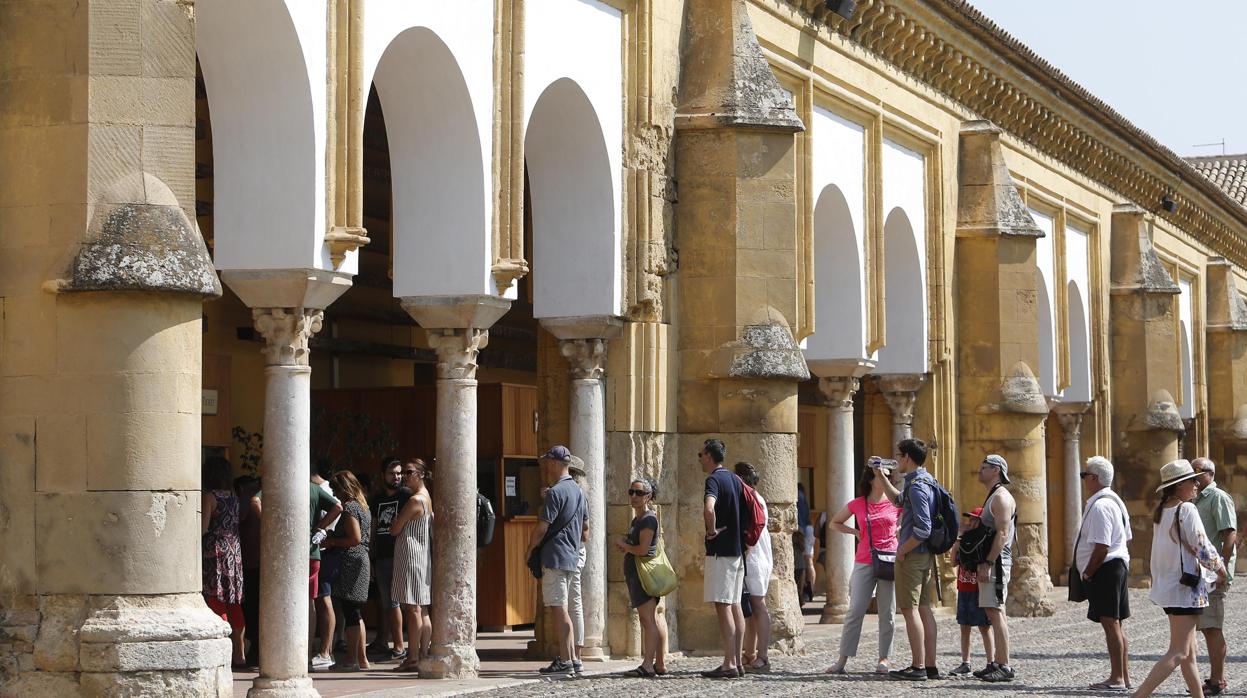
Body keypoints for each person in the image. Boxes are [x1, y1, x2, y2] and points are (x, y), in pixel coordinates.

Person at [1132, 459, 1228, 698]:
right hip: (1186, 589)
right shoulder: (1186, 509)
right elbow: (1201, 545)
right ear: (1178, 485)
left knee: (1189, 654)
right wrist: (1221, 569)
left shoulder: (1163, 510)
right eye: (1191, 480)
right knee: (1179, 653)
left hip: (1170, 587)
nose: (1196, 484)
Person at [826, 459, 900, 675]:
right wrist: (855, 533)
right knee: (855, 611)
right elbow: (834, 523)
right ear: (870, 479)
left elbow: (909, 522)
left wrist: (899, 530)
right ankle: (842, 660)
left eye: (888, 475)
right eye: (880, 475)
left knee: (887, 613)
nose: (885, 478)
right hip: (864, 561)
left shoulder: (897, 503)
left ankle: (884, 658)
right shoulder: (858, 503)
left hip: (889, 560)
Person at [879, 438, 942, 681]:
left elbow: (923, 528)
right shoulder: (925, 481)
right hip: (924, 555)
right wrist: (881, 476)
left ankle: (918, 666)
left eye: (899, 455)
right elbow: (898, 501)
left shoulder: (917, 487)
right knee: (924, 608)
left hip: (913, 555)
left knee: (909, 609)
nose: (897, 459)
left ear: (907, 457)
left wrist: (902, 550)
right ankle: (930, 665)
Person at [528, 445, 588, 677]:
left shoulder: (555, 492)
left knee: (559, 609)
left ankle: (565, 659)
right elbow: (585, 528)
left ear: (554, 463)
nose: (546, 466)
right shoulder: (578, 491)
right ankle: (573, 659)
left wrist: (530, 549)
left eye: (548, 462)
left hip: (555, 556)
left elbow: (542, 527)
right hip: (572, 555)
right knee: (568, 608)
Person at [1075, 456, 1132, 691]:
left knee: (1110, 623)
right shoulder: (1115, 501)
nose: (1083, 480)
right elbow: (1127, 537)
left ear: (1093, 478)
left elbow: (1102, 547)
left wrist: (1088, 573)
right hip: (1115, 566)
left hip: (1106, 569)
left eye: (1084, 475)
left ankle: (1117, 678)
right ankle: (1124, 677)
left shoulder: (1101, 506)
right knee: (1116, 624)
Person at [699, 439, 745, 679]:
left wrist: (711, 531)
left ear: (709, 456)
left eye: (700, 455)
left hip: (721, 551)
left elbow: (709, 508)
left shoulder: (714, 480)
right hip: (737, 550)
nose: (700, 459)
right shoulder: (735, 480)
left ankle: (729, 663)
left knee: (723, 605)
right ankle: (737, 660)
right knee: (735, 604)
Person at [615, 476, 669, 678]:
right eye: (631, 492)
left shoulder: (647, 519)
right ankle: (659, 663)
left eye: (639, 493)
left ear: (648, 496)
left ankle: (648, 665)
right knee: (653, 619)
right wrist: (628, 545)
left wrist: (625, 545)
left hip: (643, 575)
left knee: (648, 621)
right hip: (638, 574)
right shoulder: (638, 519)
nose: (634, 496)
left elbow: (644, 549)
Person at [1192, 457, 1237, 696]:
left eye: (1196, 471)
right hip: (1202, 571)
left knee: (1212, 627)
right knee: (1206, 627)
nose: (1193, 476)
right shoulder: (1196, 499)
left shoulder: (1218, 497)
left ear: (1209, 473)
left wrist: (1223, 570)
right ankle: (1214, 677)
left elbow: (1229, 534)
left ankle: (1217, 681)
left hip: (1214, 573)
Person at [323, 471, 372, 671]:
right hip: (361, 560)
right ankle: (362, 659)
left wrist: (333, 541)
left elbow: (355, 539)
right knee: (355, 612)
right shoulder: (363, 506)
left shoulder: (350, 507)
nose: (335, 494)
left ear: (344, 488)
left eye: (336, 489)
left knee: (351, 611)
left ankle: (351, 659)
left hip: (352, 562)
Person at [974, 454, 1016, 683]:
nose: (979, 470)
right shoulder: (994, 495)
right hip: (994, 562)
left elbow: (1002, 533)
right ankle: (998, 662)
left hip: (997, 564)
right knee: (994, 611)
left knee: (996, 612)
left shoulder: (1000, 497)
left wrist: (988, 562)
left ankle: (1004, 666)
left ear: (996, 470)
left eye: (984, 467)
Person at [390, 458, 433, 673]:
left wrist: (396, 522)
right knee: (422, 608)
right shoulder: (427, 498)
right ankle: (422, 653)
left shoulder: (415, 500)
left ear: (421, 474)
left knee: (413, 607)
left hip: (411, 555)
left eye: (409, 472)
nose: (405, 477)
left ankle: (414, 656)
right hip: (421, 556)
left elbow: (395, 528)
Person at [201, 456, 245, 668]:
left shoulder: (210, 496)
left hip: (215, 550)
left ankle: (222, 651)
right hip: (234, 550)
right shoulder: (234, 496)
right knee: (233, 600)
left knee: (215, 596)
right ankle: (240, 653)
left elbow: (203, 528)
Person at [368, 457, 410, 661]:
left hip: (402, 554)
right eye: (392, 473)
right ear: (383, 475)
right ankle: (390, 644)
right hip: (382, 557)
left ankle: (401, 646)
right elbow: (374, 528)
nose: (396, 477)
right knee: (388, 603)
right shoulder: (377, 499)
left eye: (399, 473)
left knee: (405, 603)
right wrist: (371, 555)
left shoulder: (407, 496)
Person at [735, 462, 773, 674]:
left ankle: (763, 656)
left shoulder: (751, 499)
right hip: (755, 557)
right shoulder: (754, 497)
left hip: (755, 558)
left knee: (758, 605)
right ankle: (750, 653)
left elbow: (753, 530)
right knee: (749, 607)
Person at [949, 507, 993, 677]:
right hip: (964, 587)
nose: (971, 523)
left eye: (975, 520)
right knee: (964, 626)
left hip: (978, 589)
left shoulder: (984, 540)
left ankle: (990, 662)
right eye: (970, 519)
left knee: (984, 627)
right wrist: (956, 546)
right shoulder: (964, 540)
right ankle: (965, 663)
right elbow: (953, 563)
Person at [310, 460, 340, 670]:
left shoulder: (323, 490)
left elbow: (337, 509)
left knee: (324, 599)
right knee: (319, 600)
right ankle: (324, 650)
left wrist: (320, 528)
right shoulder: (321, 490)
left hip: (325, 550)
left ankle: (325, 651)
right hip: (321, 549)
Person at [235, 475, 262, 668]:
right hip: (256, 560)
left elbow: (239, 518)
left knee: (251, 608)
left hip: (250, 561)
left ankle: (254, 649)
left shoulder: (249, 498)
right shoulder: (260, 496)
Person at [797, 483, 816, 603]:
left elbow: (799, 517)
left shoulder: (797, 494)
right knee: (809, 561)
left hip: (802, 530)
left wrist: (799, 532)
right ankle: (811, 588)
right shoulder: (803, 496)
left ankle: (803, 591)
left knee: (802, 563)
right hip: (809, 528)